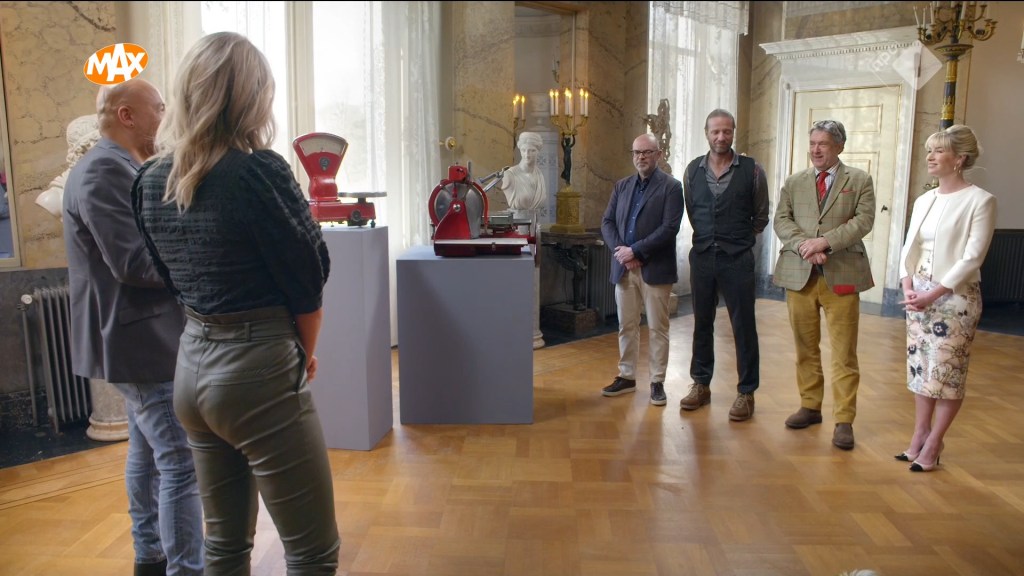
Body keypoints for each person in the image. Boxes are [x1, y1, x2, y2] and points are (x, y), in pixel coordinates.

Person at [132, 32, 340, 575]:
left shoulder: (150, 179)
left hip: (191, 367)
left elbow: (171, 277)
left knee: (223, 545)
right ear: (253, 95)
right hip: (258, 369)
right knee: (313, 553)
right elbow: (308, 280)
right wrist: (303, 354)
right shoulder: (258, 171)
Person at [63, 79, 203, 576]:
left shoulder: (117, 165)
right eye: (159, 108)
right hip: (139, 339)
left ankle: (151, 556)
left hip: (136, 335)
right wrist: (198, 259)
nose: (165, 118)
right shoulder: (104, 169)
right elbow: (132, 263)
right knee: (180, 461)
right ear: (127, 115)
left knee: (146, 454)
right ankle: (185, 568)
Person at [895, 125, 996, 472]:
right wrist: (907, 285)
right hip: (918, 295)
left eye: (939, 150)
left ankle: (935, 442)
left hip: (955, 299)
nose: (930, 156)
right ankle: (919, 434)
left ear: (960, 159)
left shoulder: (981, 201)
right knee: (922, 369)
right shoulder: (925, 200)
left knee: (946, 373)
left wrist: (933, 293)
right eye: (930, 150)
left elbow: (973, 258)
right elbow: (909, 247)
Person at [773, 119, 875, 450]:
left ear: (840, 147)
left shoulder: (859, 180)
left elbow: (864, 221)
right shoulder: (794, 181)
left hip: (842, 275)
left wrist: (825, 243)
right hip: (799, 274)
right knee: (805, 347)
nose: (816, 150)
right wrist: (805, 245)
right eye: (813, 143)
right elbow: (781, 220)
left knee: (844, 353)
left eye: (824, 144)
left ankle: (844, 420)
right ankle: (810, 406)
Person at [679, 109, 770, 422]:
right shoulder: (692, 170)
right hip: (703, 256)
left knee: (743, 326)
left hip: (738, 259)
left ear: (733, 133)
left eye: (726, 131)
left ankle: (746, 391)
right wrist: (711, 235)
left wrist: (738, 238)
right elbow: (694, 210)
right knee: (701, 323)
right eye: (715, 131)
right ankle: (700, 384)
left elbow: (761, 215)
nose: (721, 137)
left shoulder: (752, 170)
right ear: (706, 133)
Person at [600, 133, 684, 406]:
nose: (641, 157)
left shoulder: (672, 187)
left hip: (655, 269)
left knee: (658, 328)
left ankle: (657, 381)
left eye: (647, 152)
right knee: (626, 325)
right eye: (637, 152)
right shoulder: (622, 186)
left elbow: (669, 228)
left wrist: (636, 251)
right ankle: (627, 376)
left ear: (658, 154)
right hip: (624, 269)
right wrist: (623, 254)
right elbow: (607, 222)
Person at [499, 131, 546, 212]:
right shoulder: (509, 175)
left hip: (535, 219)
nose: (527, 155)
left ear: (538, 151)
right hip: (518, 219)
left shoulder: (539, 174)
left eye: (532, 150)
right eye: (523, 150)